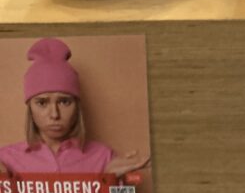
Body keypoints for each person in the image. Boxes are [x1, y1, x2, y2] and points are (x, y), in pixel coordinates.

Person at [0, 38, 149, 177]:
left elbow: (126, 191)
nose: (54, 114)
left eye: (64, 102)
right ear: (30, 108)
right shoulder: (5, 160)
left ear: (77, 106)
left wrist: (111, 181)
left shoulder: (105, 158)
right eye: (42, 103)